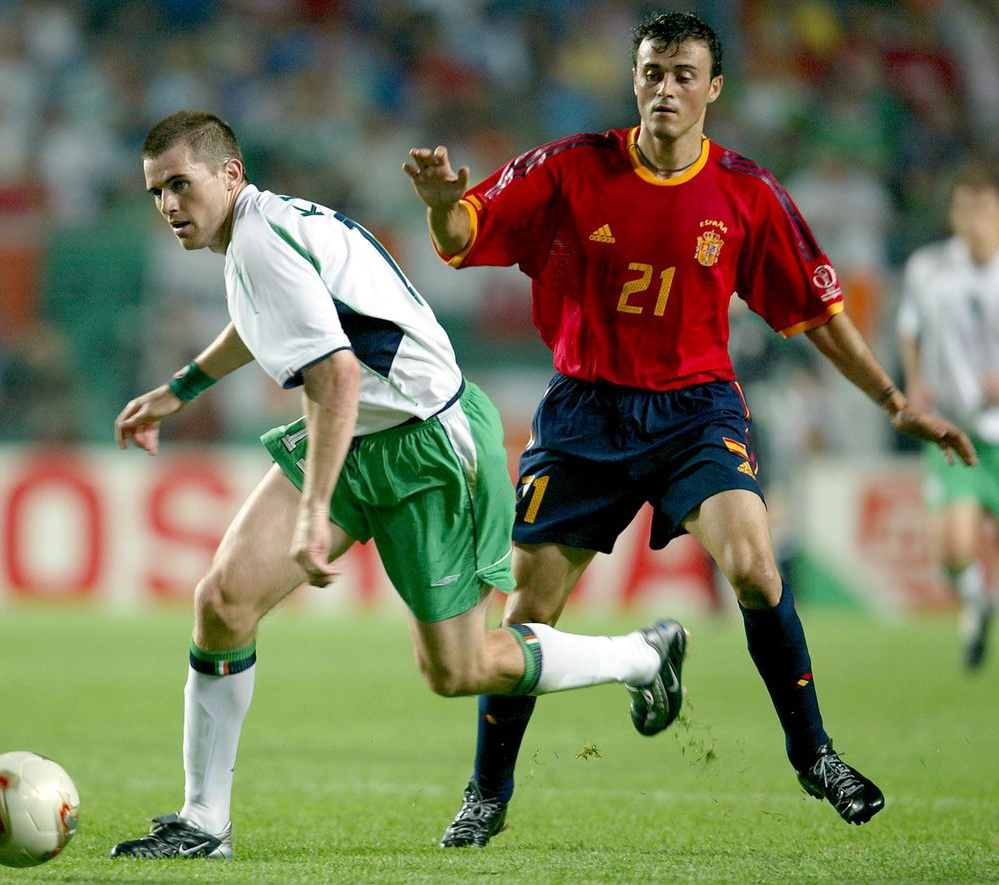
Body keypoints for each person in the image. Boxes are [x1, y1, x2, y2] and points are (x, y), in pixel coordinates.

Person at [403, 10, 977, 844]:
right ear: (633, 79)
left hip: (695, 409)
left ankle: (814, 752)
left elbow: (817, 313)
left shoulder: (746, 193)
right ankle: (487, 792)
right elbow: (466, 234)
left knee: (752, 566)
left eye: (681, 74)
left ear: (713, 88)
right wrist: (439, 206)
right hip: (584, 412)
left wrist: (893, 401)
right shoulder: (568, 167)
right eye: (651, 72)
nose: (664, 87)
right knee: (530, 607)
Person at [109, 110, 691, 861]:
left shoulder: (259, 240)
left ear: (229, 174)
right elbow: (268, 326)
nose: (167, 206)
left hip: (429, 446)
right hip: (360, 433)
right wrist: (179, 388)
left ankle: (640, 656)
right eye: (156, 192)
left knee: (458, 669)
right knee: (223, 602)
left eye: (179, 185)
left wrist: (313, 510)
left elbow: (336, 372)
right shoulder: (256, 233)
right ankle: (203, 821)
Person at [897, 162, 999, 670]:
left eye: (983, 209)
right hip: (955, 428)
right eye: (965, 209)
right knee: (955, 549)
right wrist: (915, 381)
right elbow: (910, 326)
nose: (974, 220)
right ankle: (979, 602)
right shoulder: (928, 268)